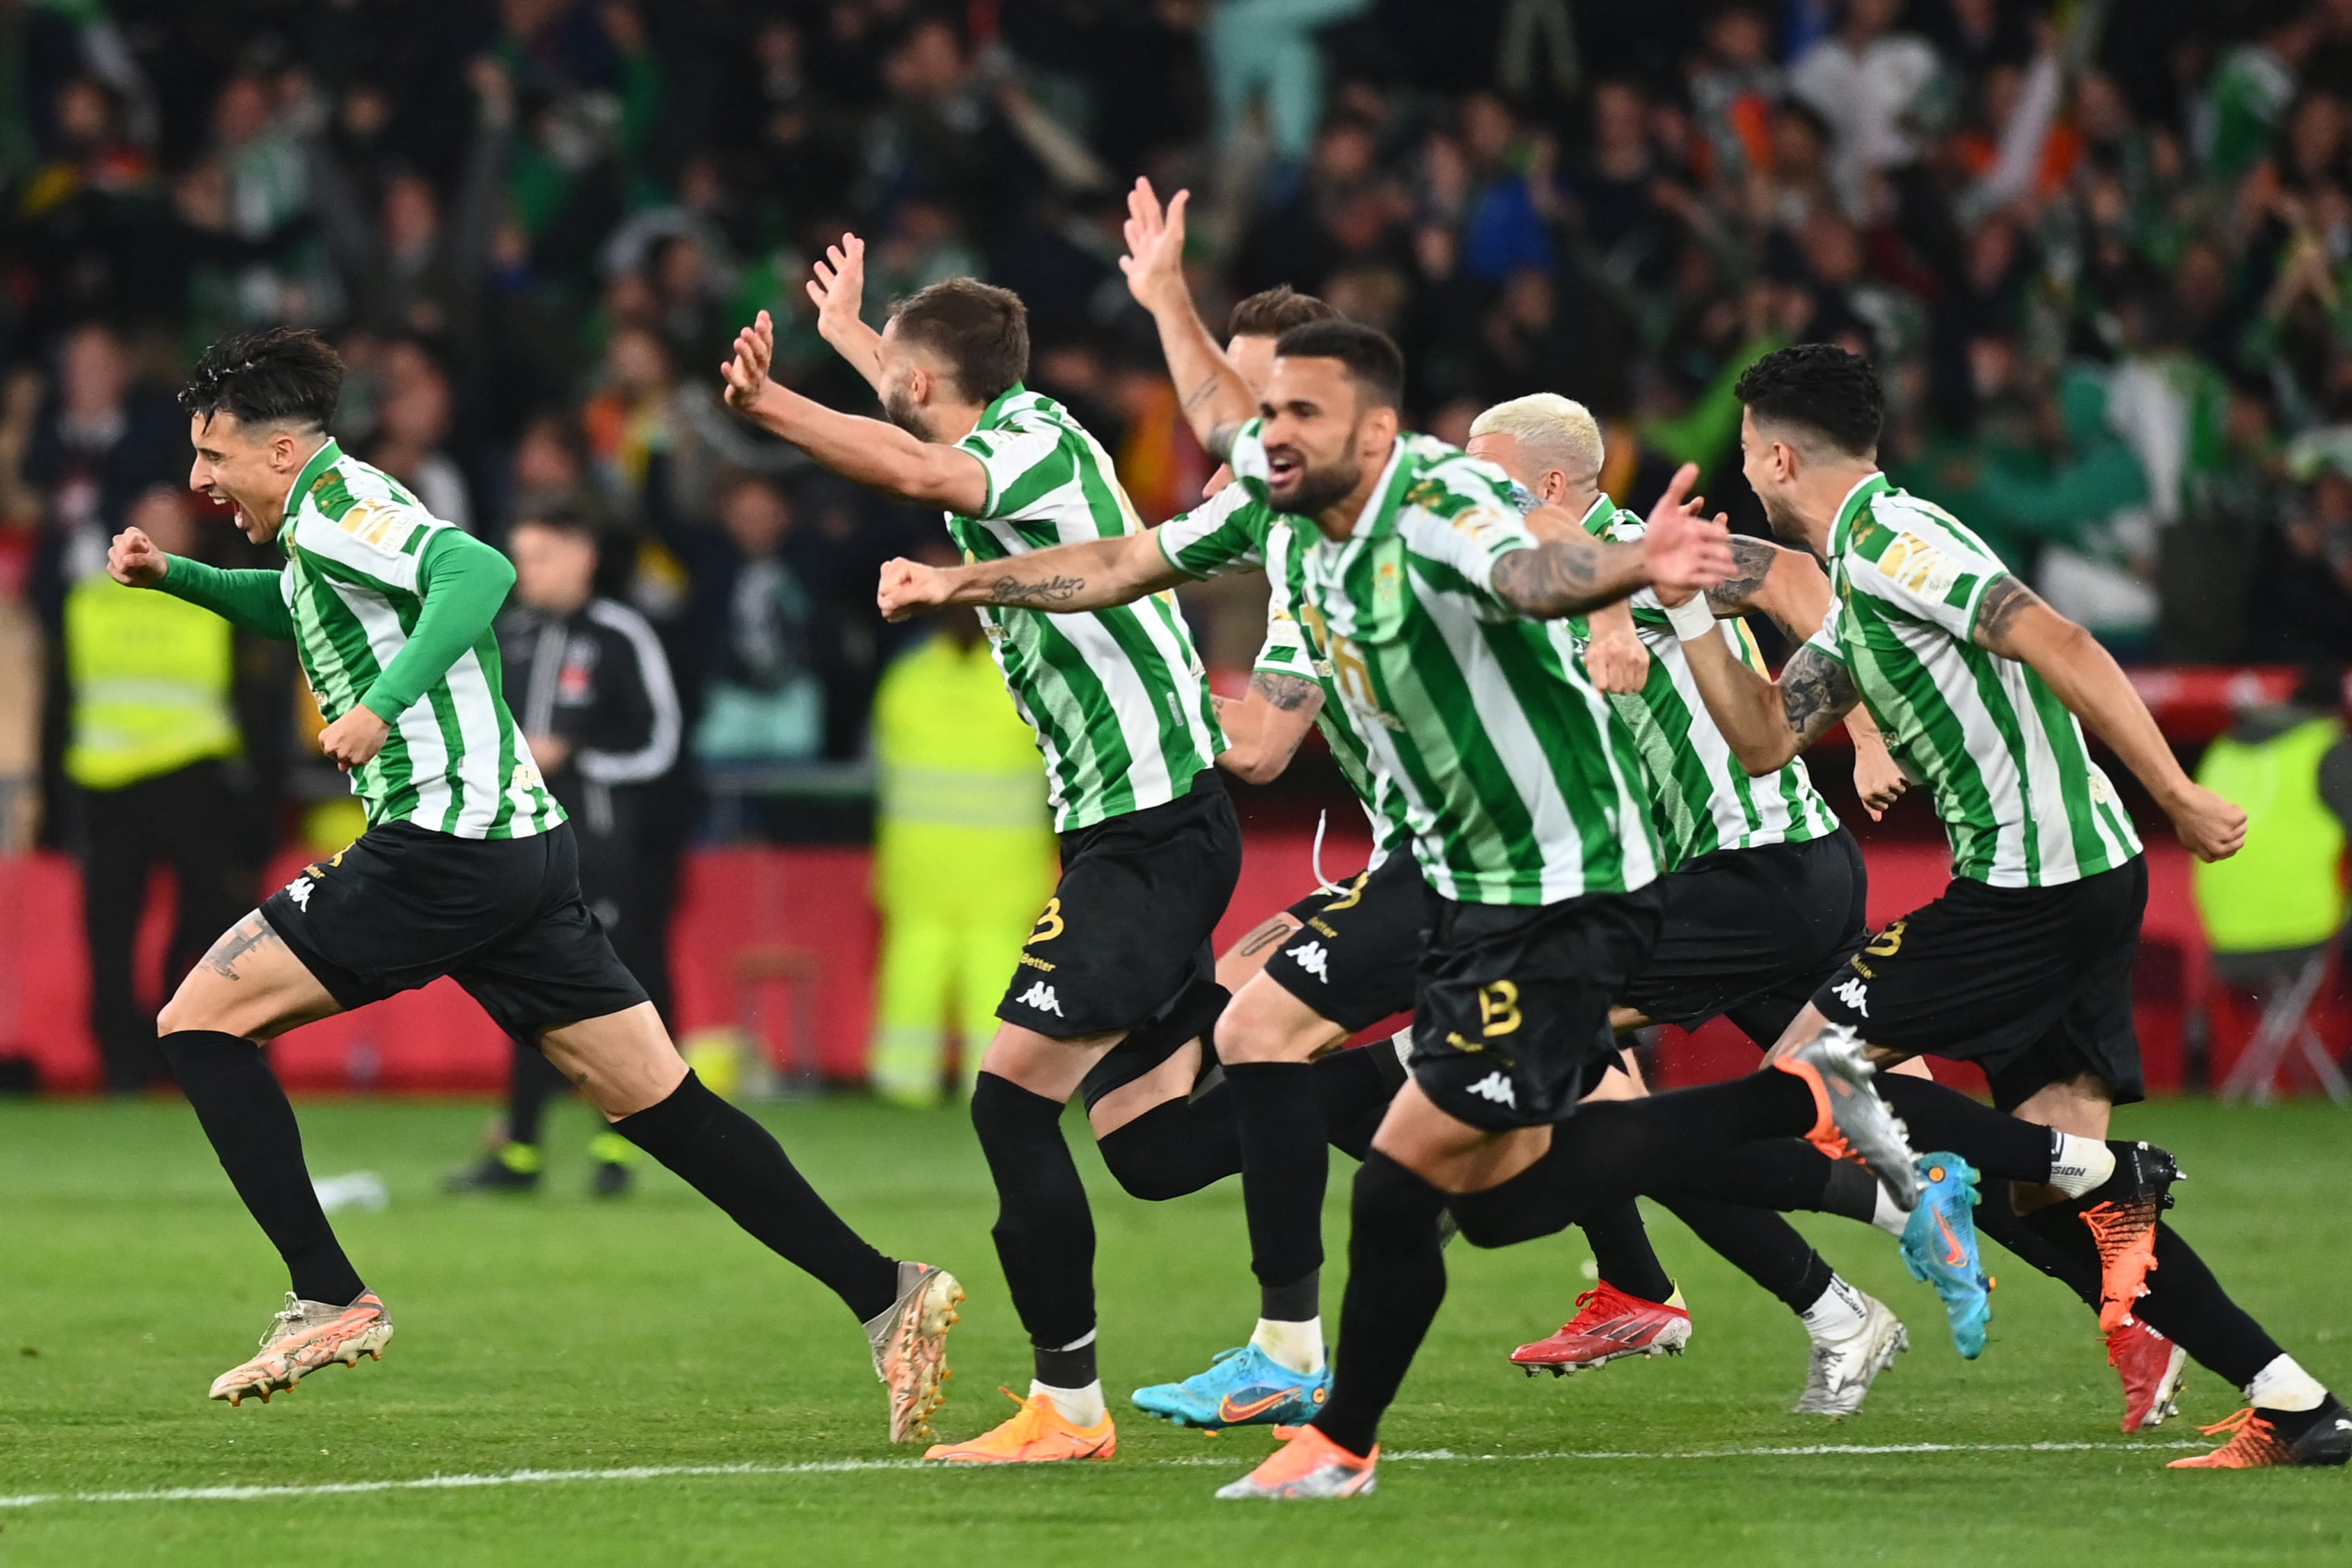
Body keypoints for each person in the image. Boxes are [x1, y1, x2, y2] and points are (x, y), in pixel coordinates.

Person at [877, 317, 1928, 1502]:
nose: (1256, 425)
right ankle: (1761, 1253)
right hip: (1509, 875)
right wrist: (1149, 314)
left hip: (1630, 877)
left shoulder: (1462, 512)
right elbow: (1156, 596)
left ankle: (1303, 1369)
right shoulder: (1303, 535)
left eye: (1283, 403)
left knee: (1331, 1065)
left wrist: (1717, 647)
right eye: (1253, 407)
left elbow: (1573, 569)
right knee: (1487, 1175)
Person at [110, 327, 961, 1446]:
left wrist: (381, 707)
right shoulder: (326, 518)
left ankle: (328, 1293)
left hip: (439, 846)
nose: (195, 479)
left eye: (211, 455)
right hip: (518, 848)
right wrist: (181, 577)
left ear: (278, 454)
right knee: (661, 1106)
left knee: (199, 1023)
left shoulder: (336, 507)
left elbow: (480, 572)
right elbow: (307, 610)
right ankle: (885, 1292)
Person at [1669, 342, 2351, 1469]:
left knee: (1811, 1076)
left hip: (2034, 890)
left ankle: (2107, 1171)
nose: (1744, 477)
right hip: (2048, 883)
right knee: (2044, 1200)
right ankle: (2291, 1399)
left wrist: (2171, 790)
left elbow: (2060, 636)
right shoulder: (1859, 583)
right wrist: (1689, 606)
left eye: (1746, 455)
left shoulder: (1902, 543)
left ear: (1778, 455)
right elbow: (1760, 738)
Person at [720, 255, 1245, 1465]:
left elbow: (914, 459)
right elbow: (923, 411)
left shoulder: (1008, 452)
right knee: (1150, 1144)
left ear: (921, 377)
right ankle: (1424, 1118)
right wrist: (847, 333)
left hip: (1148, 826)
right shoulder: (1022, 421)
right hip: (1150, 821)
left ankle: (1066, 1403)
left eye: (889, 364)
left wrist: (770, 407)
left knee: (1011, 1100)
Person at [1463, 392, 1987, 1409]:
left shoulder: (1616, 545)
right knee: (1881, 1111)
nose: (1466, 496)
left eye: (1487, 477)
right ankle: (2112, 1235)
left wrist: (1868, 732)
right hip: (1774, 871)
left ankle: (1677, 1281)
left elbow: (1791, 585)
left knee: (1552, 1044)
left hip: (1752, 875)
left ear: (1554, 485)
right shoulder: (1558, 572)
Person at [446, 508, 683, 1196]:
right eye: (519, 556)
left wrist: (575, 760)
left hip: (605, 853)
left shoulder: (620, 635)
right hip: (519, 849)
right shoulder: (508, 637)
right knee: (522, 993)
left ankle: (620, 1153)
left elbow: (661, 744)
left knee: (616, 999)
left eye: (541, 556)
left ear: (583, 553)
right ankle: (518, 1152)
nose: (527, 573)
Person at [63, 484, 251, 1094]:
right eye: (148, 523)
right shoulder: (86, 601)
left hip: (193, 779)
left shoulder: (215, 594)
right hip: (107, 784)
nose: (160, 536)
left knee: (206, 920)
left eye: (171, 524)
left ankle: (178, 1038)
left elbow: (253, 699)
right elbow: (58, 703)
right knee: (110, 933)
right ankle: (123, 1063)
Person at [866, 539, 1057, 1107]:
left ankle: (906, 1089)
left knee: (924, 984)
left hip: (932, 872)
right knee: (982, 994)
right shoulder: (1024, 677)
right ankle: (982, 1089)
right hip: (996, 876)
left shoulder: (907, 680)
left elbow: (882, 769)